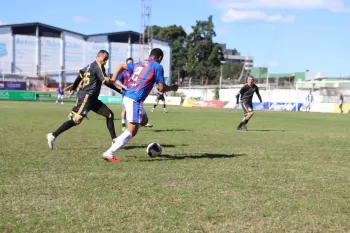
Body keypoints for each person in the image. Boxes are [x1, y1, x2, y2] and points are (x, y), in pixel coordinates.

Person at [102, 48, 178, 163]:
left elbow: (121, 65)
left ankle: (117, 140)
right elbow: (161, 88)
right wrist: (172, 87)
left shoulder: (139, 63)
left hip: (129, 96)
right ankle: (109, 152)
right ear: (160, 58)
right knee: (132, 131)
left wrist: (113, 79)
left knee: (144, 121)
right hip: (134, 99)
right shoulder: (157, 66)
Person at [46, 50, 122, 150]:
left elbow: (79, 76)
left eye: (106, 60)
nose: (105, 62)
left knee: (109, 114)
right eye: (104, 59)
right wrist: (115, 84)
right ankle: (52, 135)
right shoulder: (97, 66)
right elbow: (105, 81)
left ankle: (114, 140)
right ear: (98, 56)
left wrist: (72, 89)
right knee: (76, 120)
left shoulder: (90, 66)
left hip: (93, 98)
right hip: (87, 97)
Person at [115, 57, 134, 132]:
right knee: (125, 109)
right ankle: (123, 125)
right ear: (126, 64)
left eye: (131, 63)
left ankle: (141, 123)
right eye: (129, 63)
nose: (130, 64)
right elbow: (117, 81)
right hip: (126, 93)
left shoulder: (135, 72)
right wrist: (124, 87)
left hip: (134, 93)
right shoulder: (123, 72)